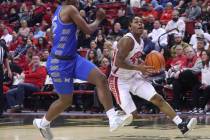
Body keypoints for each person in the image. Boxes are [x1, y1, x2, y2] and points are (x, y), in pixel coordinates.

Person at [33, 0, 132, 139]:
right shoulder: (70, 9)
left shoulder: (59, 10)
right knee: (66, 101)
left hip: (72, 58)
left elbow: (53, 34)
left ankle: (113, 118)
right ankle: (43, 123)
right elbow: (89, 30)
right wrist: (98, 19)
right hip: (58, 63)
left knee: (101, 79)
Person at [108, 16, 197, 135]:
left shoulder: (141, 41)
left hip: (134, 77)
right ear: (130, 27)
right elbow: (117, 62)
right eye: (136, 22)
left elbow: (135, 59)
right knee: (133, 116)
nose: (140, 24)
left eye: (141, 22)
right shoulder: (127, 40)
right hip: (119, 80)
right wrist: (137, 68)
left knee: (158, 98)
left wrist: (144, 67)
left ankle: (182, 125)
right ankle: (118, 115)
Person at [0, 39, 12, 117]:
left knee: (0, 90)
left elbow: (6, 58)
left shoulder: (2, 45)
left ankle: (0, 111)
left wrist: (9, 70)